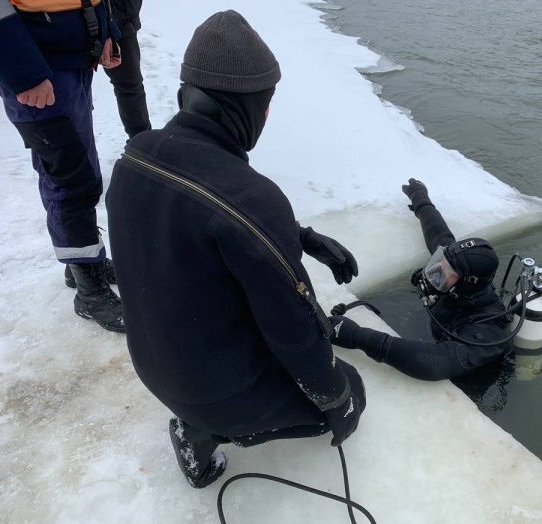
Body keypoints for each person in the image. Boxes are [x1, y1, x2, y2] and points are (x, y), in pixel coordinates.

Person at [105, 10, 365, 489]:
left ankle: (198, 416)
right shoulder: (250, 197)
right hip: (212, 394)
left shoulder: (134, 157)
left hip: (151, 366)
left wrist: (300, 238)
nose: (266, 116)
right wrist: (337, 398)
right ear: (245, 108)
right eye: (265, 104)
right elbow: (295, 332)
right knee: (348, 388)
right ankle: (204, 430)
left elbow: (199, 219)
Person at [0, 0, 125, 332]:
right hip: (38, 66)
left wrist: (106, 30)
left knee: (84, 167)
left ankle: (81, 261)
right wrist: (24, 72)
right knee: (69, 178)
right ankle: (89, 291)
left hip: (72, 58)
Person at [327, 179, 514, 382]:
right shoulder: (456, 273)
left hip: (471, 378)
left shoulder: (489, 331)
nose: (437, 272)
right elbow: (439, 234)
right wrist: (420, 198)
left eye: (446, 271)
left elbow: (436, 363)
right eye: (439, 262)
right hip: (437, 326)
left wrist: (357, 336)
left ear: (467, 282)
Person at [104, 0, 151, 139]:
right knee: (76, 94)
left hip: (122, 21)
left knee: (130, 86)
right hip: (76, 21)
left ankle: (142, 144)